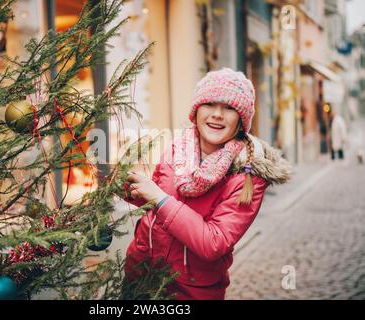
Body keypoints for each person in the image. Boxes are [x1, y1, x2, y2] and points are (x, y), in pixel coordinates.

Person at [122, 68, 291, 300]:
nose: (217, 114)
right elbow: (156, 202)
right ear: (197, 110)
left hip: (188, 291)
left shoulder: (247, 176)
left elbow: (213, 242)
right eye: (210, 103)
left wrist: (158, 198)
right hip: (139, 278)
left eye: (229, 107)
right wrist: (132, 189)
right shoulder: (178, 148)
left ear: (241, 120)